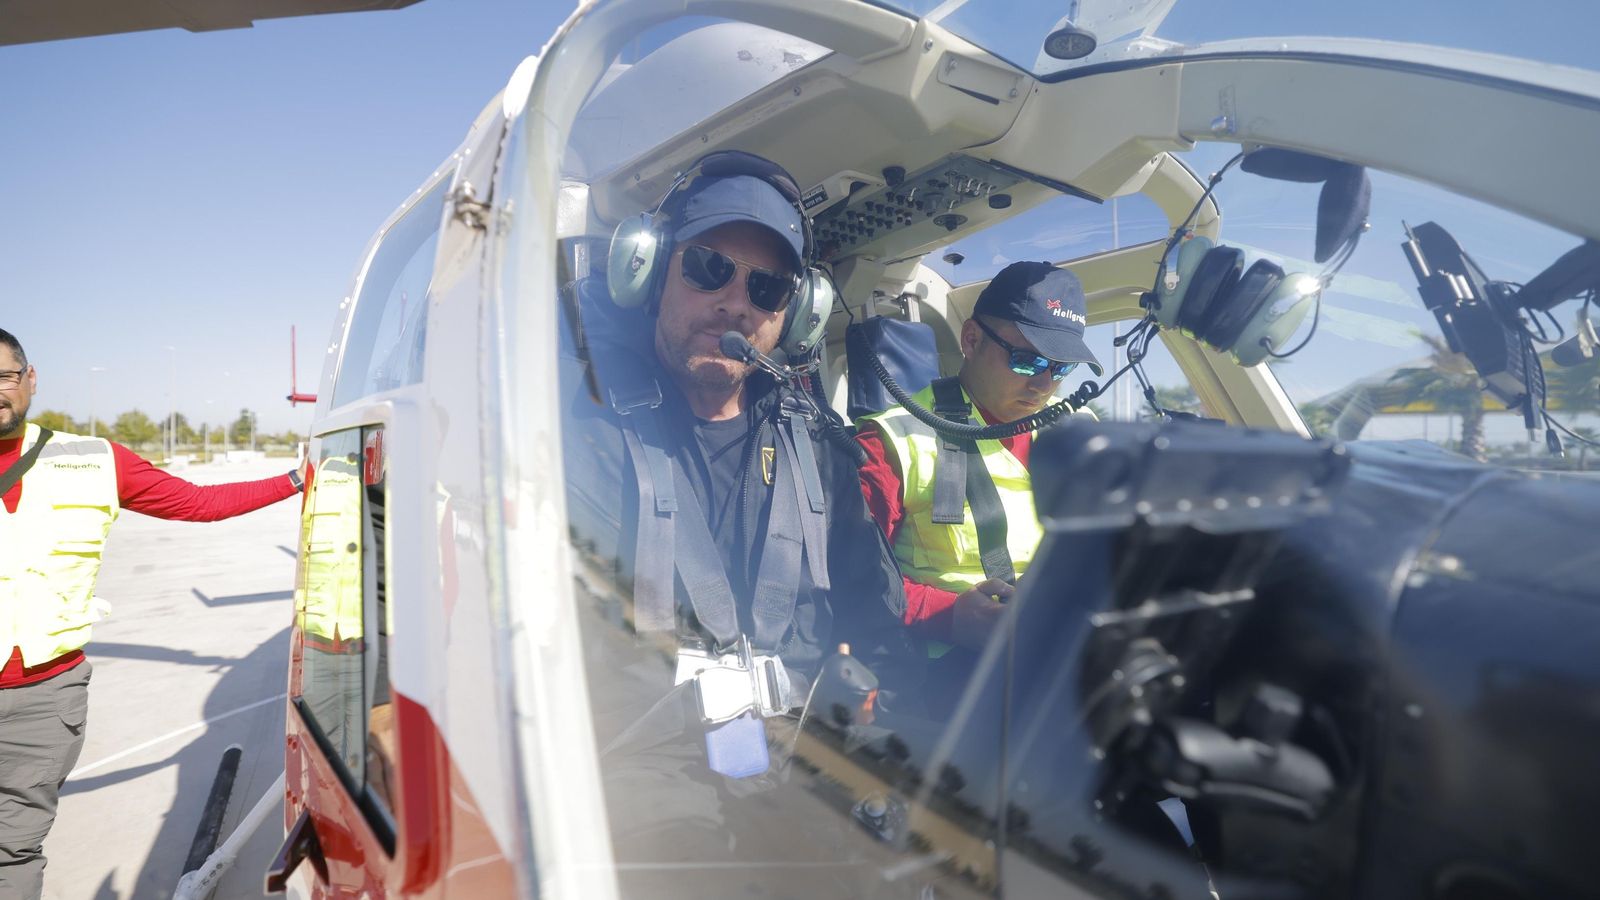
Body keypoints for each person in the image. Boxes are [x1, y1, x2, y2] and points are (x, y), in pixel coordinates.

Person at [558, 153, 921, 887]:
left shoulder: (818, 448)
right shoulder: (574, 429)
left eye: (767, 287)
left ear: (794, 313)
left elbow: (877, 622)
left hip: (801, 747)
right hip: (640, 761)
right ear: (650, 271)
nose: (736, 303)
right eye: (709, 268)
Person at [0, 328, 303, 900]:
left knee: (13, 850)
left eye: (4, 376)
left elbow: (200, 503)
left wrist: (295, 479)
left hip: (42, 701)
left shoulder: (94, 461)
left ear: (30, 378)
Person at [857, 261, 1102, 654]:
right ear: (971, 340)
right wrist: (946, 615)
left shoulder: (1082, 429)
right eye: (1027, 360)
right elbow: (849, 572)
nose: (1043, 384)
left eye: (1062, 368)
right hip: (950, 670)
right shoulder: (891, 442)